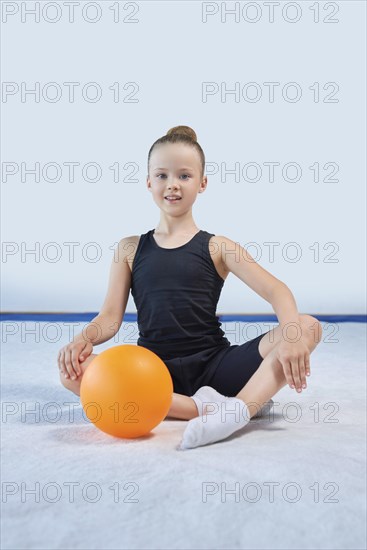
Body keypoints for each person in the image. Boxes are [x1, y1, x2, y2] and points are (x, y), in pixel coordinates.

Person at [57, 125, 323, 450]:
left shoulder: (218, 246)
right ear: (148, 182)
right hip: (152, 370)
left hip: (216, 365)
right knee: (73, 373)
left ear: (202, 183)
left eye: (184, 176)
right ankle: (203, 407)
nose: (173, 185)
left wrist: (292, 334)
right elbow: (110, 318)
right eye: (162, 175)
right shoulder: (129, 248)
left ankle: (237, 410)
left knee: (307, 326)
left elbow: (277, 291)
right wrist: (83, 339)